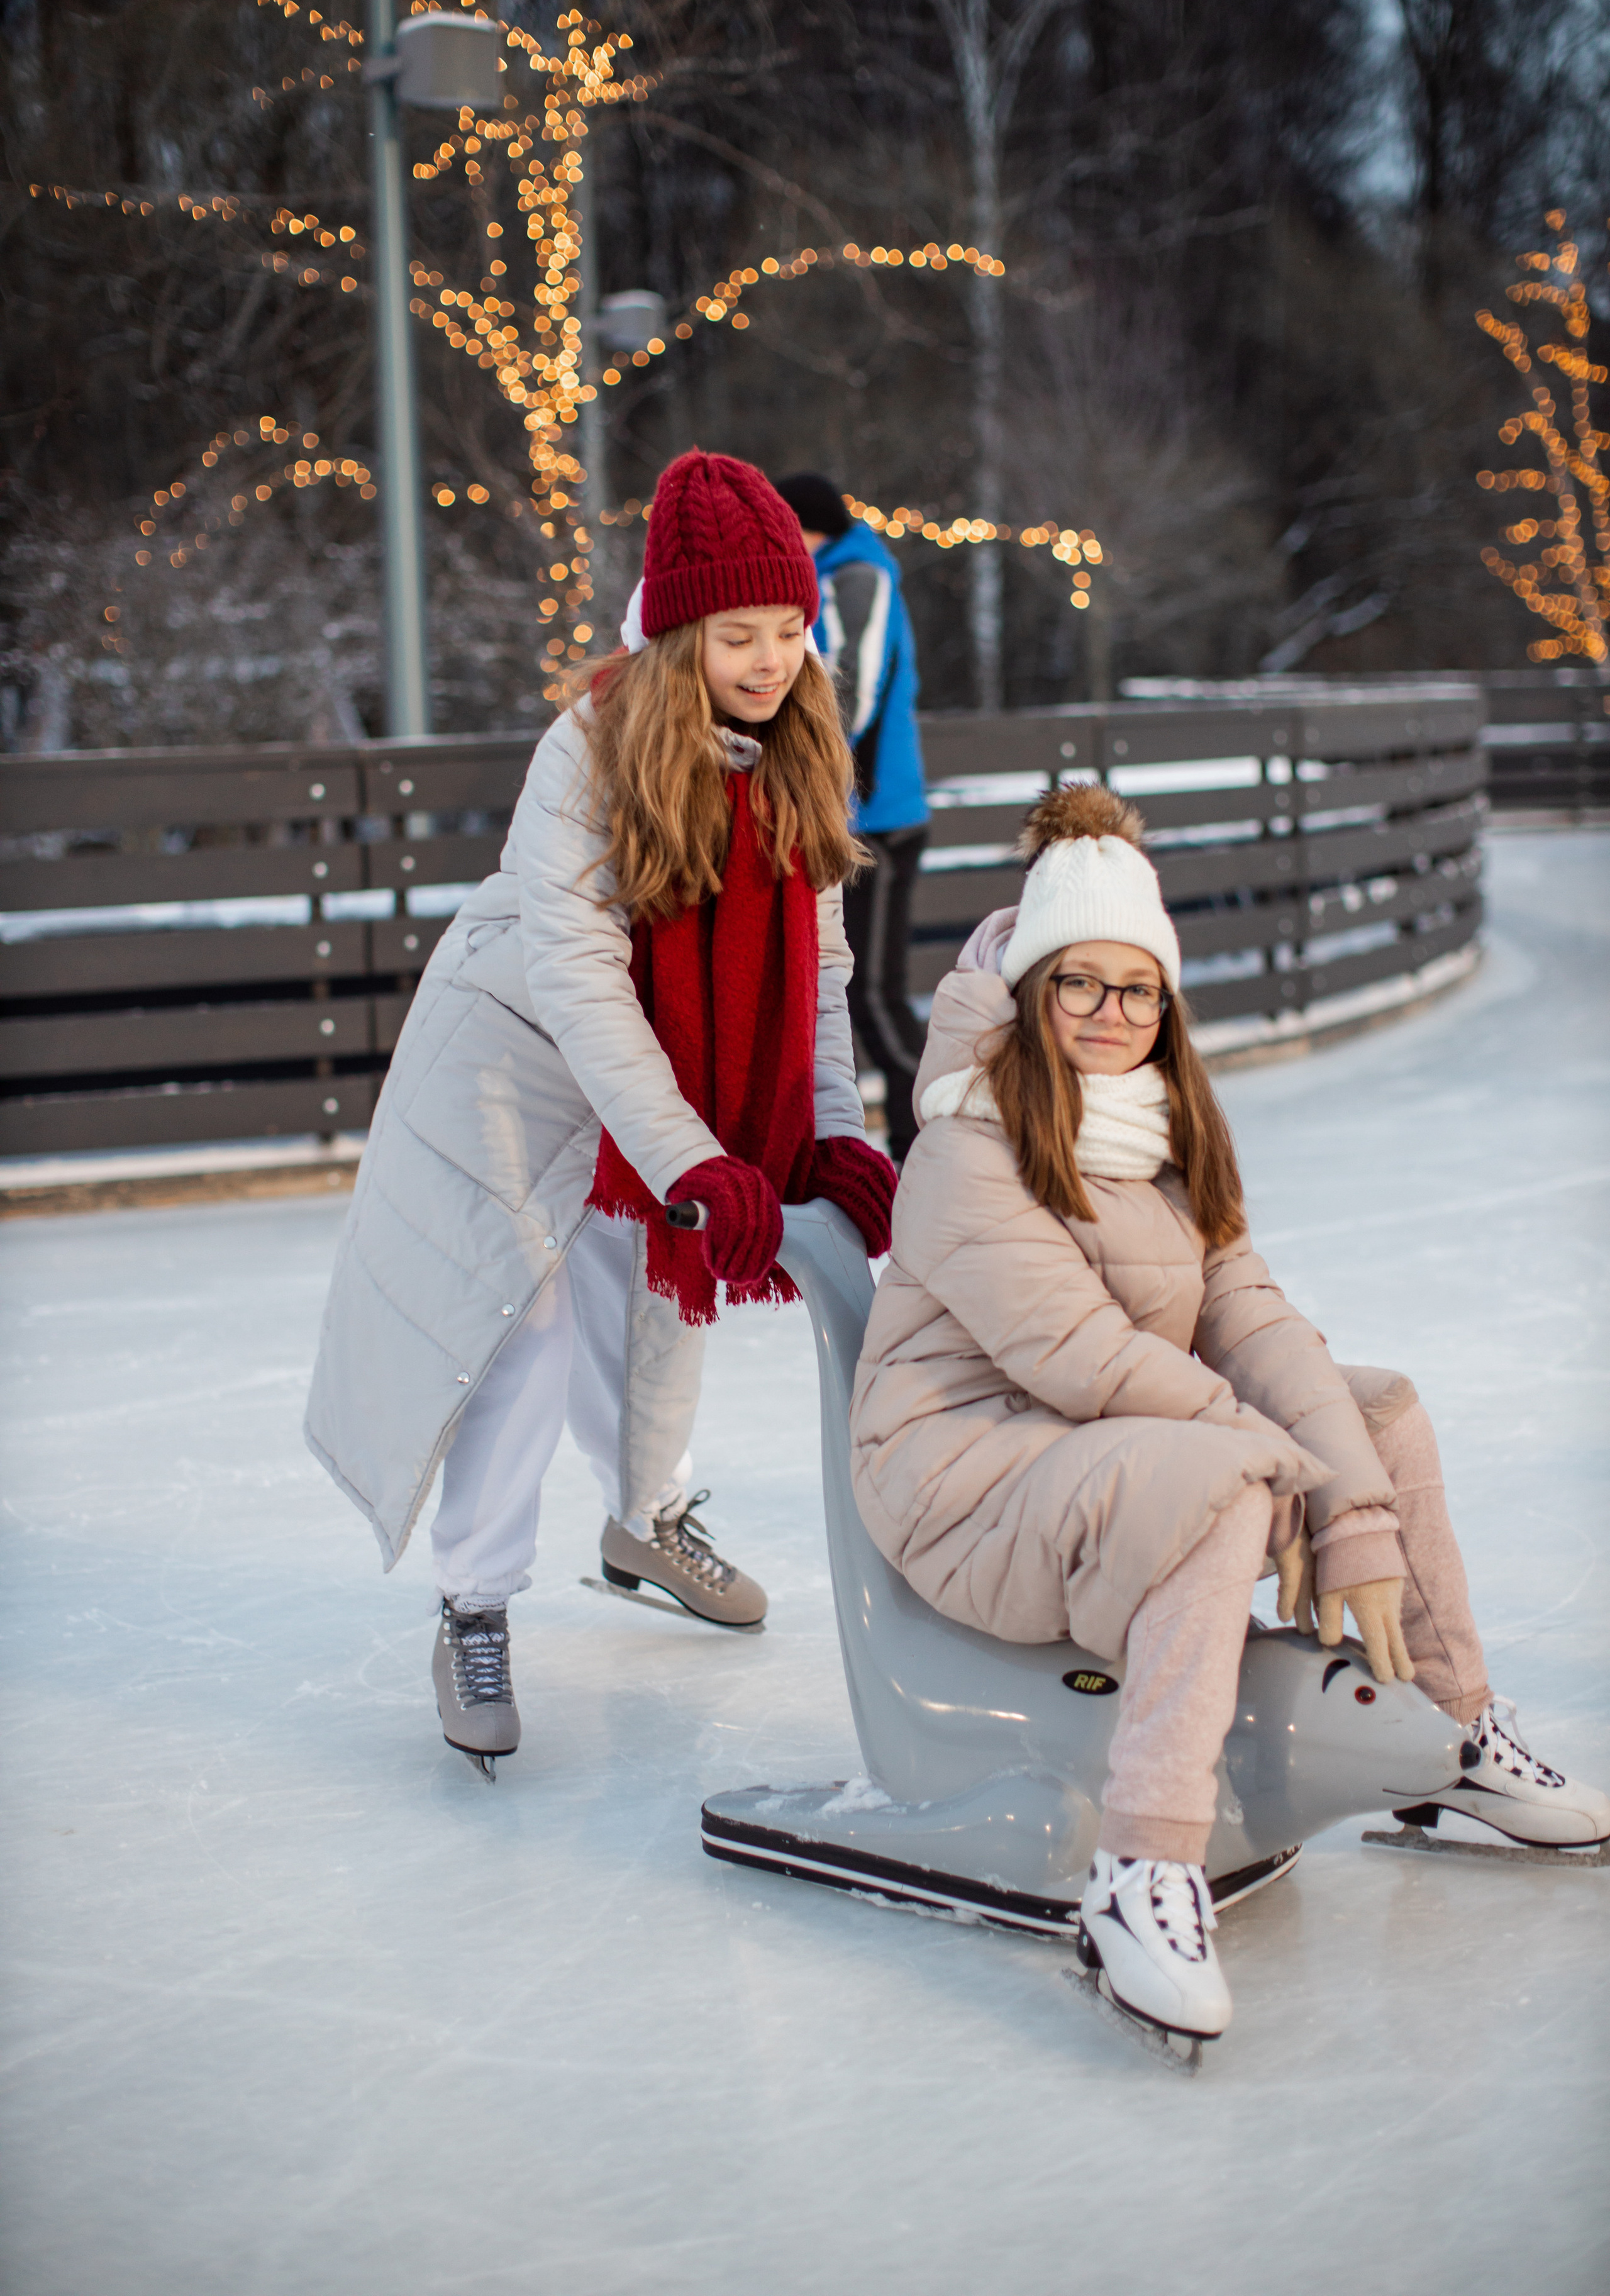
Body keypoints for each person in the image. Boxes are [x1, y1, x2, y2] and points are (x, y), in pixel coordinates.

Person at [848, 781, 1609, 2044]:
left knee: (1379, 1416)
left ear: (1165, 1002)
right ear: (1033, 990)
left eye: (1135, 988)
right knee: (1224, 1477)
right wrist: (1286, 1473)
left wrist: (1349, 1492)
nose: (1108, 1013)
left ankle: (1450, 1730)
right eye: (1076, 983)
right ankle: (1143, 1868)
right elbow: (1083, 1357)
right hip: (962, 1469)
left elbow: (1251, 1322)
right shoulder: (963, 1143)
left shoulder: (1161, 1133)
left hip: (1102, 1447)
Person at [306, 450, 898, 1774]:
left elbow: (819, 974)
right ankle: (475, 1600)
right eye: (738, 634)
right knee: (522, 1320)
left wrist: (833, 1131)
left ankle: (644, 1521)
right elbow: (581, 985)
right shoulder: (586, 749)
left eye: (791, 629)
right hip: (512, 1058)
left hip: (657, 1072)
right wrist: (696, 1152)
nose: (769, 659)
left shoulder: (800, 747)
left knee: (663, 1287)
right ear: (677, 629)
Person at [774, 472, 930, 1164]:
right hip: (852, 816)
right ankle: (914, 1139)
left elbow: (850, 699)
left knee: (870, 995)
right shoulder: (833, 575)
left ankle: (930, 1139)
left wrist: (808, 773)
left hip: (878, 818)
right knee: (846, 991)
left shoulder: (857, 575)